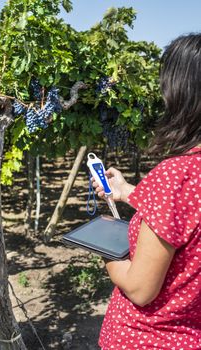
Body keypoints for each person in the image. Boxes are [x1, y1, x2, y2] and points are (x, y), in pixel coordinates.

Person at [92, 33, 201, 350]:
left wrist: (105, 247)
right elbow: (188, 215)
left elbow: (140, 289)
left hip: (147, 339)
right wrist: (127, 192)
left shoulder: (175, 175)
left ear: (181, 93)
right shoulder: (184, 181)